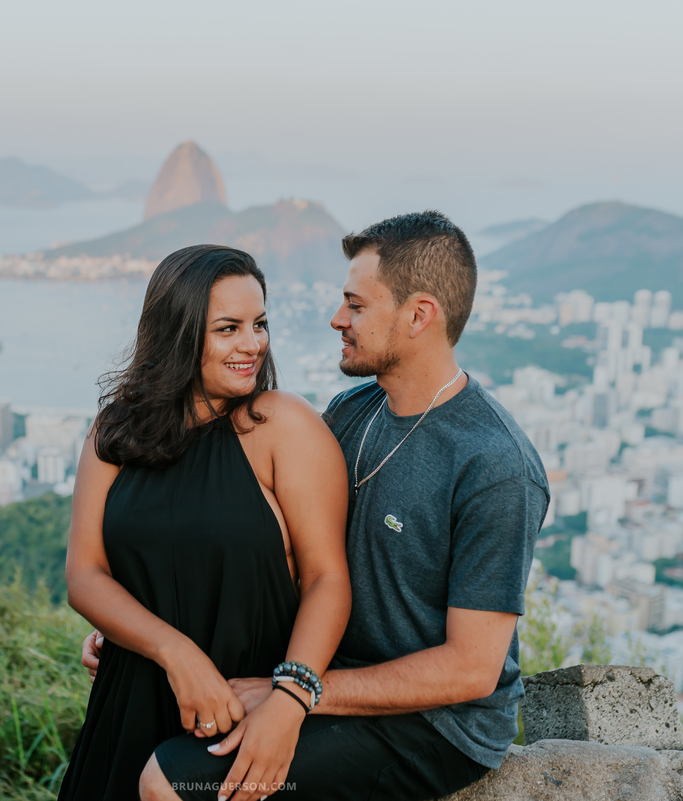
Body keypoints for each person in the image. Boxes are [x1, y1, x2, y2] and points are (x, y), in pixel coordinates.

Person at [91, 211, 548, 801]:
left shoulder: (494, 464)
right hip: (328, 673)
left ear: (419, 315)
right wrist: (142, 622)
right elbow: (265, 538)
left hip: (431, 726)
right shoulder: (353, 412)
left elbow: (471, 669)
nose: (337, 319)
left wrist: (297, 691)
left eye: (355, 306)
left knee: (171, 783)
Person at [58, 244, 353, 801]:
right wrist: (176, 652)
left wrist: (289, 702)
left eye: (259, 324)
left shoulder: (281, 426)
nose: (252, 344)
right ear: (179, 332)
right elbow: (85, 574)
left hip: (243, 711)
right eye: (228, 328)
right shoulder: (115, 431)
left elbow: (326, 580)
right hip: (130, 699)